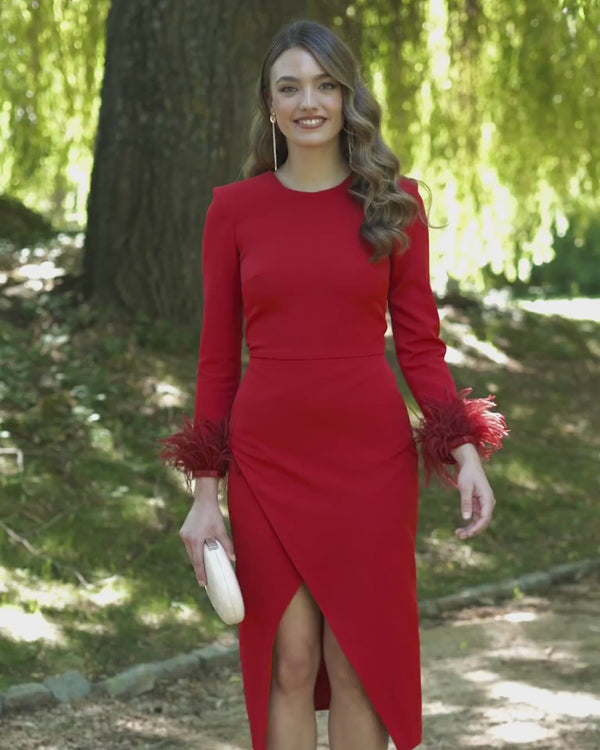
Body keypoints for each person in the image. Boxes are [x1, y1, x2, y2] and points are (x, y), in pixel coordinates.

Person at [160, 18, 508, 750]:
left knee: (356, 665)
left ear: (348, 96)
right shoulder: (234, 209)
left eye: (324, 84)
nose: (308, 101)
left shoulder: (395, 202)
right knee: (288, 660)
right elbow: (216, 360)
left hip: (370, 461)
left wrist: (465, 448)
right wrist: (203, 496)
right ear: (270, 103)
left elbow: (420, 347)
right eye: (290, 87)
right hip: (266, 460)